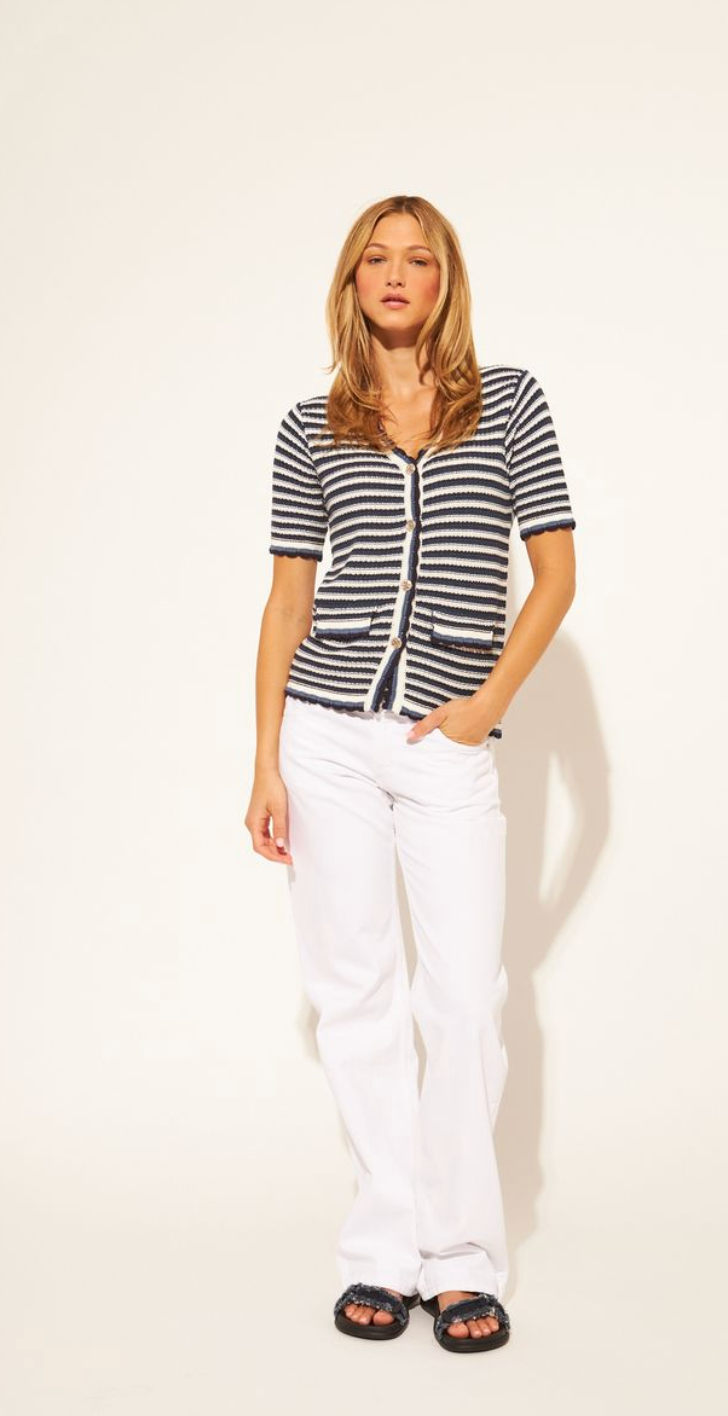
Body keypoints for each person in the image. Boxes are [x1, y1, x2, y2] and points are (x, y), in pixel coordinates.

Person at [246, 194, 577, 1354]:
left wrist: (485, 705)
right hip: (325, 735)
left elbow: (554, 577)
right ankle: (383, 1250)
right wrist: (265, 761)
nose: (395, 275)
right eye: (374, 260)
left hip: (446, 739)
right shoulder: (308, 427)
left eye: (418, 259)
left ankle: (462, 1257)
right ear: (351, 284)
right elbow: (288, 602)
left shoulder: (511, 403)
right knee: (355, 995)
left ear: (446, 280)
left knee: (464, 1000)